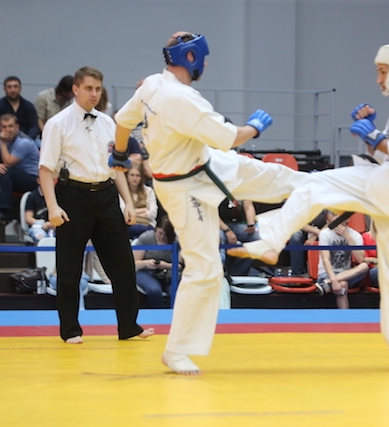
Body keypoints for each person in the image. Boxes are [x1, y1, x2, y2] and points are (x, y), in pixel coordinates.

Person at [230, 42, 389, 371]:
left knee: (315, 185)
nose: (378, 79)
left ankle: (271, 242)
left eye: (383, 71)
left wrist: (376, 137)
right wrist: (375, 137)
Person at [112, 32, 310, 375]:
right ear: (191, 57)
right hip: (184, 187)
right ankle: (177, 351)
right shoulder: (182, 98)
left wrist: (118, 154)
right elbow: (231, 137)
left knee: (260, 172)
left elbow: (122, 121)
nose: (205, 64)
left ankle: (318, 186)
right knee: (205, 268)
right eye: (203, 58)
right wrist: (255, 127)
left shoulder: (151, 85)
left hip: (201, 165)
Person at [38, 66, 154, 344]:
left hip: (106, 197)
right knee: (69, 269)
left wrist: (127, 202)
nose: (94, 94)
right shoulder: (58, 123)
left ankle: (129, 325)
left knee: (123, 265)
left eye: (98, 89)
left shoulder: (109, 123)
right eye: (88, 88)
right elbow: (45, 169)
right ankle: (70, 330)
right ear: (75, 89)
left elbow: (117, 167)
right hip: (72, 197)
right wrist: (53, 207)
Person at [0, 114, 39, 222]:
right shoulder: (0, 141)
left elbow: (8, 163)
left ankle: (5, 211)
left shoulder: (24, 141)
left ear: (17, 127)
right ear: (0, 128)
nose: (8, 130)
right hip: (14, 176)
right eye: (4, 127)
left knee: (4, 171)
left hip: (32, 178)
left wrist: (3, 143)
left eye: (10, 126)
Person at [314, 213, 368, 309]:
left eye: (340, 215)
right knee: (343, 284)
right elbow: (326, 259)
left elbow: (360, 259)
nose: (336, 218)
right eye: (334, 215)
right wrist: (334, 280)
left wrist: (348, 237)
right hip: (327, 273)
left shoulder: (355, 235)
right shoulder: (325, 233)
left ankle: (326, 282)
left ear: (348, 219)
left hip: (347, 273)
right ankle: (345, 317)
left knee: (364, 266)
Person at [133, 216, 180, 308]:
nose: (163, 237)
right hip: (145, 272)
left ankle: (171, 313)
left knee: (175, 291)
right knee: (154, 290)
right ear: (155, 229)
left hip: (168, 273)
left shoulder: (176, 241)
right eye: (160, 233)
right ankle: (159, 313)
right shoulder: (146, 238)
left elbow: (181, 266)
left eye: (166, 235)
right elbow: (134, 262)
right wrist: (146, 263)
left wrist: (165, 265)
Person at [219, 199, 260, 276]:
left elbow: (249, 207)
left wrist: (251, 224)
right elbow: (211, 214)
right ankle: (220, 273)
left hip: (237, 224)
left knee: (256, 240)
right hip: (217, 224)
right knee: (219, 239)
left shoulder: (242, 190)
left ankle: (238, 274)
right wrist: (227, 231)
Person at [0, 76, 39, 140]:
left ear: (20, 88)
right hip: (4, 137)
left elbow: (34, 127)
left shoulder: (29, 106)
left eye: (15, 86)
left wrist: (28, 139)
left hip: (26, 137)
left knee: (39, 144)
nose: (13, 90)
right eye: (9, 87)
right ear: (4, 89)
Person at [119, 164, 157, 239]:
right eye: (132, 175)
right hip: (129, 226)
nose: (134, 178)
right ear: (127, 176)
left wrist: (132, 213)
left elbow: (153, 213)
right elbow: (123, 213)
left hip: (147, 225)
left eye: (138, 175)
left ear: (141, 177)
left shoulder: (149, 191)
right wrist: (144, 210)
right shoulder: (122, 192)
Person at [25, 177, 55, 243]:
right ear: (38, 180)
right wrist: (42, 224)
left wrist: (53, 224)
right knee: (41, 236)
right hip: (37, 226)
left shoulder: (57, 195)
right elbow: (28, 218)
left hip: (54, 226)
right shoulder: (32, 196)